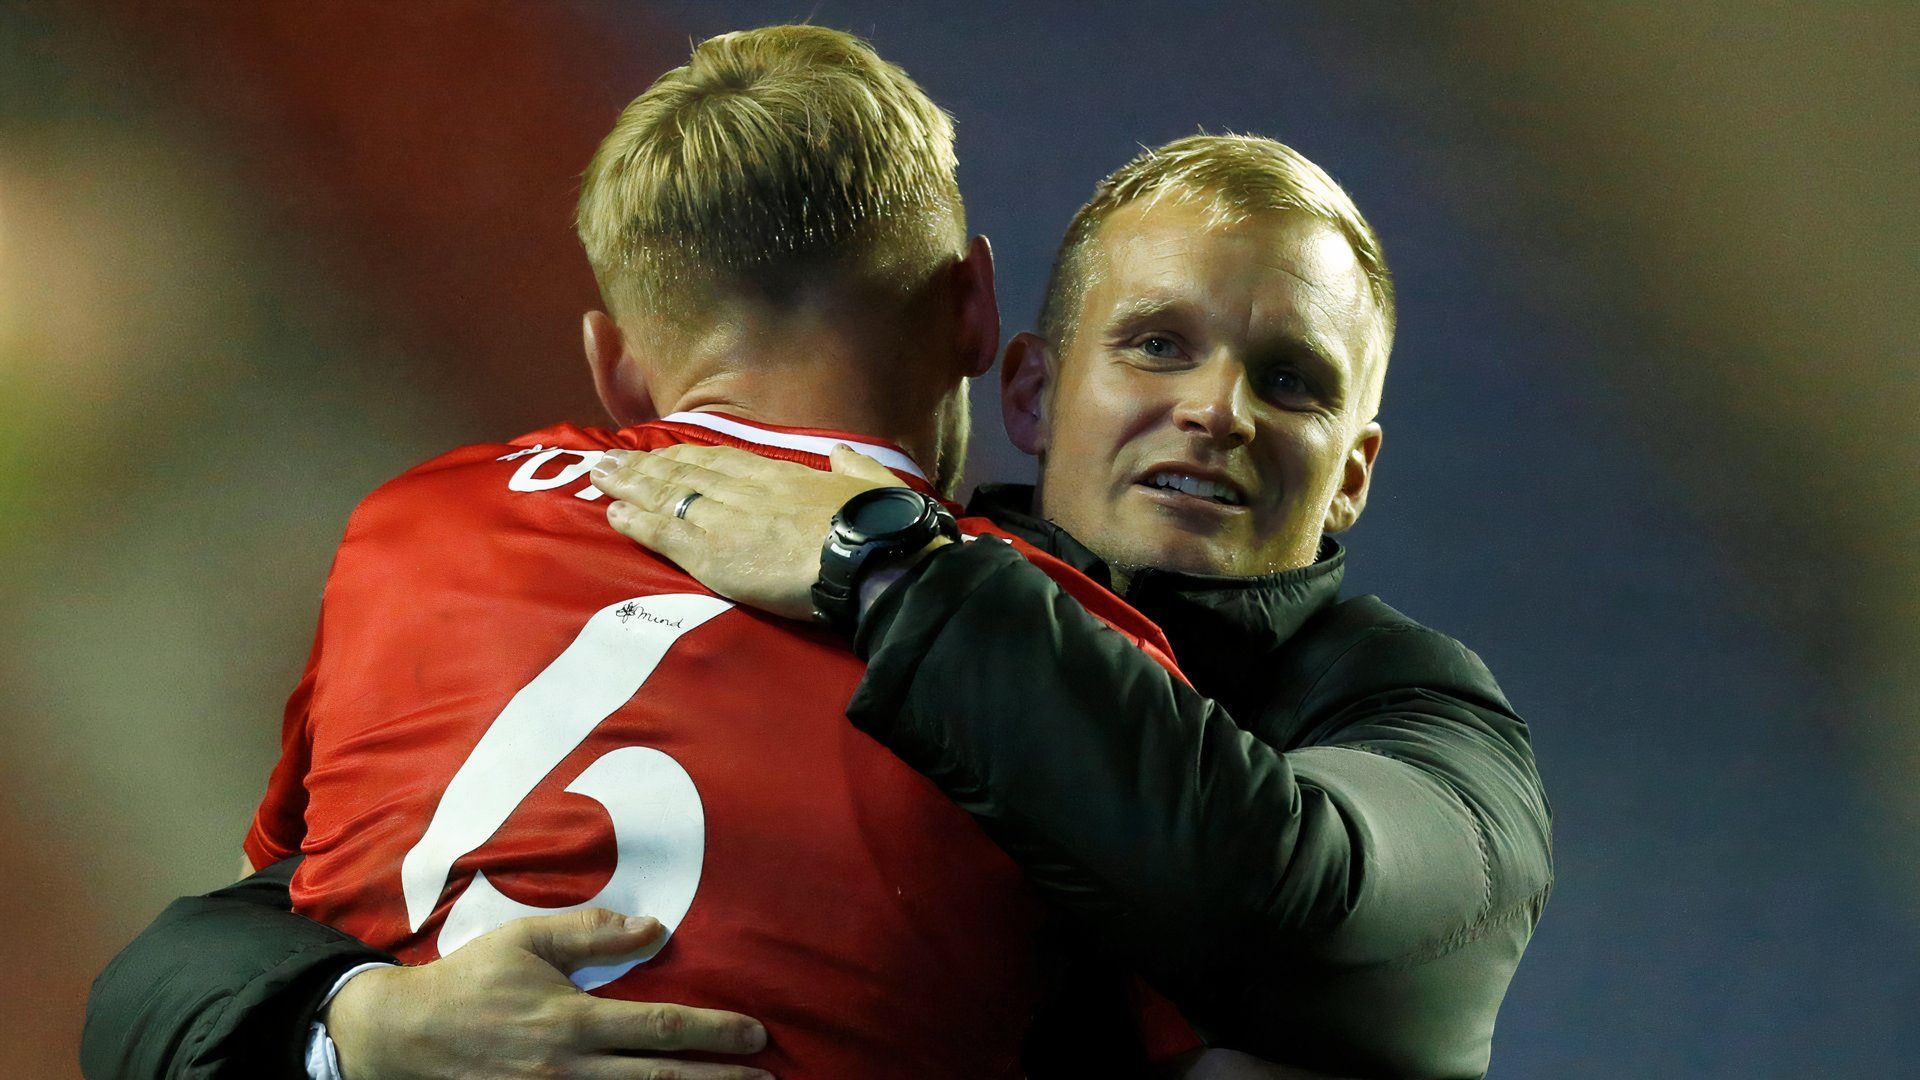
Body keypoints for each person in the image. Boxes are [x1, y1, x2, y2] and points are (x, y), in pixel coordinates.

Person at [84, 46, 1552, 1080]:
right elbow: (192, 968)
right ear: (1020, 378)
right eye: (1158, 344)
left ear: (1354, 472)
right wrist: (349, 1031)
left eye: (1292, 382)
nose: (1217, 410)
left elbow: (1311, 919)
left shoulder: (1407, 709)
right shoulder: (805, 583)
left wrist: (884, 567)